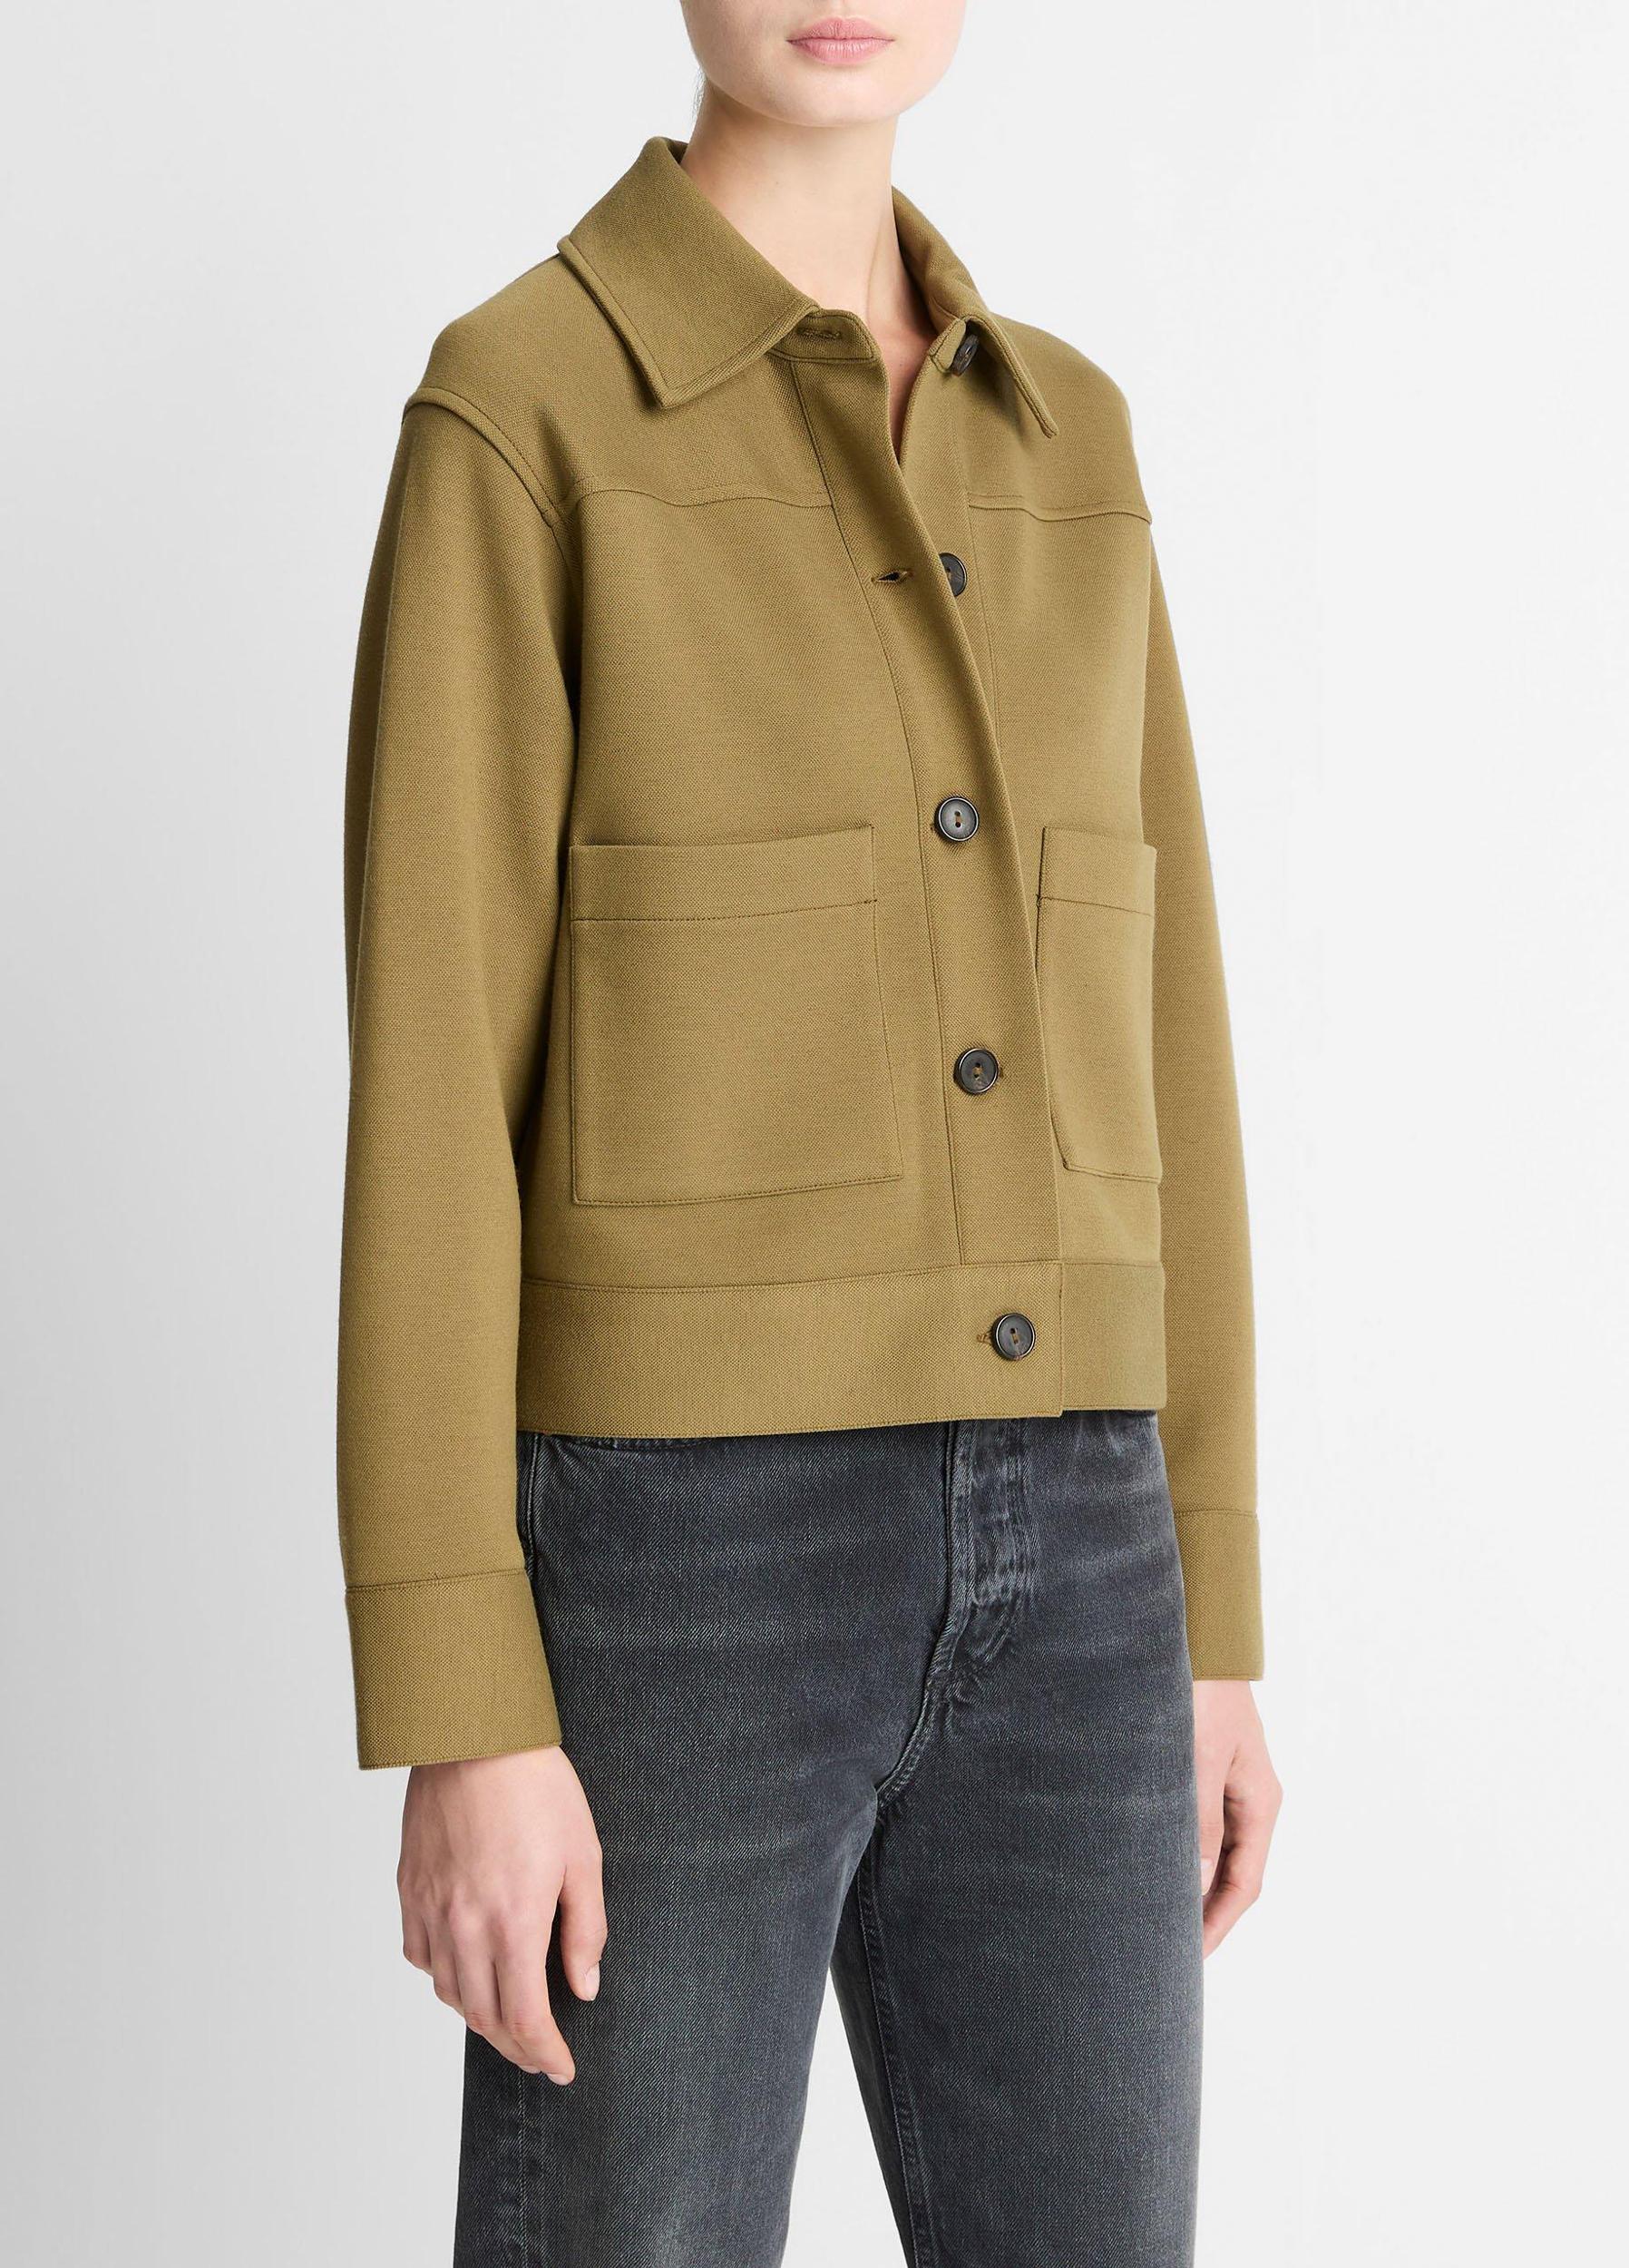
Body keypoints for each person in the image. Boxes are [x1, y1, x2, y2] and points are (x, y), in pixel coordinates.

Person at [338, 5, 1283, 2260]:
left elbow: (1163, 1034)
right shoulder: (521, 407)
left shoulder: (1067, 438)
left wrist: (1209, 1609)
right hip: (683, 1566)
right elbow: (434, 1079)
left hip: (1085, 1542)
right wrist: (463, 1699)